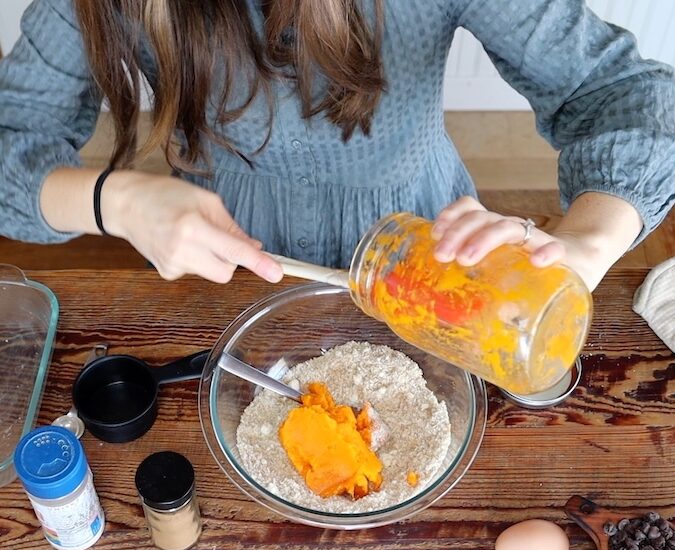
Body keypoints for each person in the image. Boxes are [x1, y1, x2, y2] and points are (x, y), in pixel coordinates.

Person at [0, 0, 673, 292]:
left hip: (429, 251)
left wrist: (584, 246)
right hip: (219, 268)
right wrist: (111, 200)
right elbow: (13, 137)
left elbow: (620, 92)